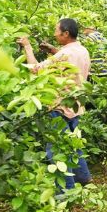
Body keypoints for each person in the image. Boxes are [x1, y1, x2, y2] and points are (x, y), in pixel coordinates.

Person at [17, 18, 93, 189]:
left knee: (57, 151)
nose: (54, 33)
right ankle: (84, 178)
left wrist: (27, 47)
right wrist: (53, 51)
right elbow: (68, 61)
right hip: (75, 105)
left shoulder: (64, 54)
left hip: (60, 106)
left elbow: (36, 69)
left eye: (56, 30)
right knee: (73, 145)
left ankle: (66, 191)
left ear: (66, 33)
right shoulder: (82, 50)